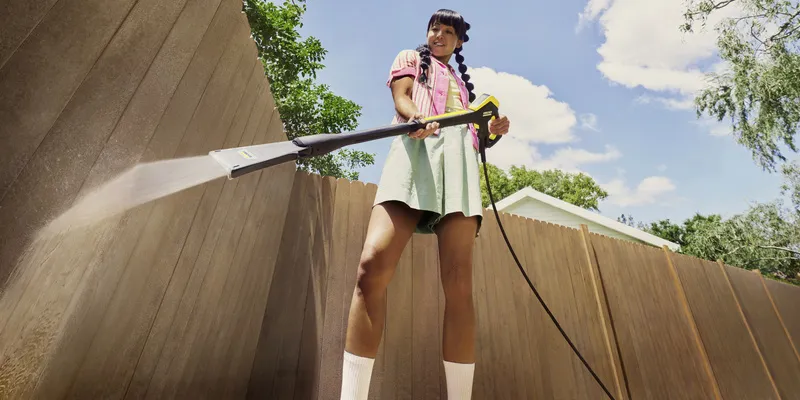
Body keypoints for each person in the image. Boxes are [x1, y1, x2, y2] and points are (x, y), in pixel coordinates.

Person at [339, 8, 510, 400]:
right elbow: (401, 97)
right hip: (414, 152)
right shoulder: (410, 58)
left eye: (448, 31)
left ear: (459, 41)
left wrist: (492, 132)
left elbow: (474, 138)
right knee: (371, 265)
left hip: (459, 167)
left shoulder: (465, 86)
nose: (439, 35)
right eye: (435, 28)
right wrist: (417, 117)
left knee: (459, 284)